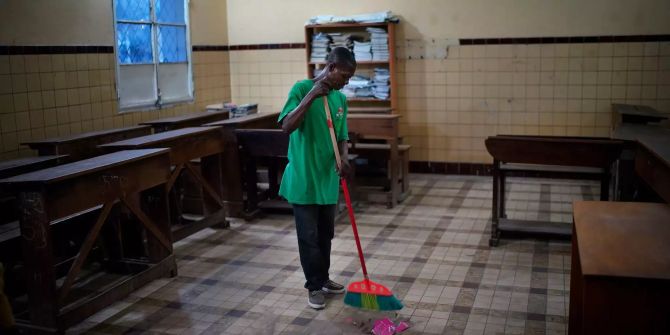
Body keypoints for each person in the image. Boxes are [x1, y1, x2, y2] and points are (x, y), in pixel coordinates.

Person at [278, 46, 356, 310]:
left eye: (350, 78)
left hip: (327, 177)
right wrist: (312, 95)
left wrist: (344, 158)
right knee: (308, 236)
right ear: (331, 68)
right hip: (303, 176)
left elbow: (343, 135)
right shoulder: (301, 89)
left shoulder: (340, 99)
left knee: (326, 234)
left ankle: (323, 278)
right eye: (344, 76)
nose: (346, 82)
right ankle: (313, 286)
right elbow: (287, 125)